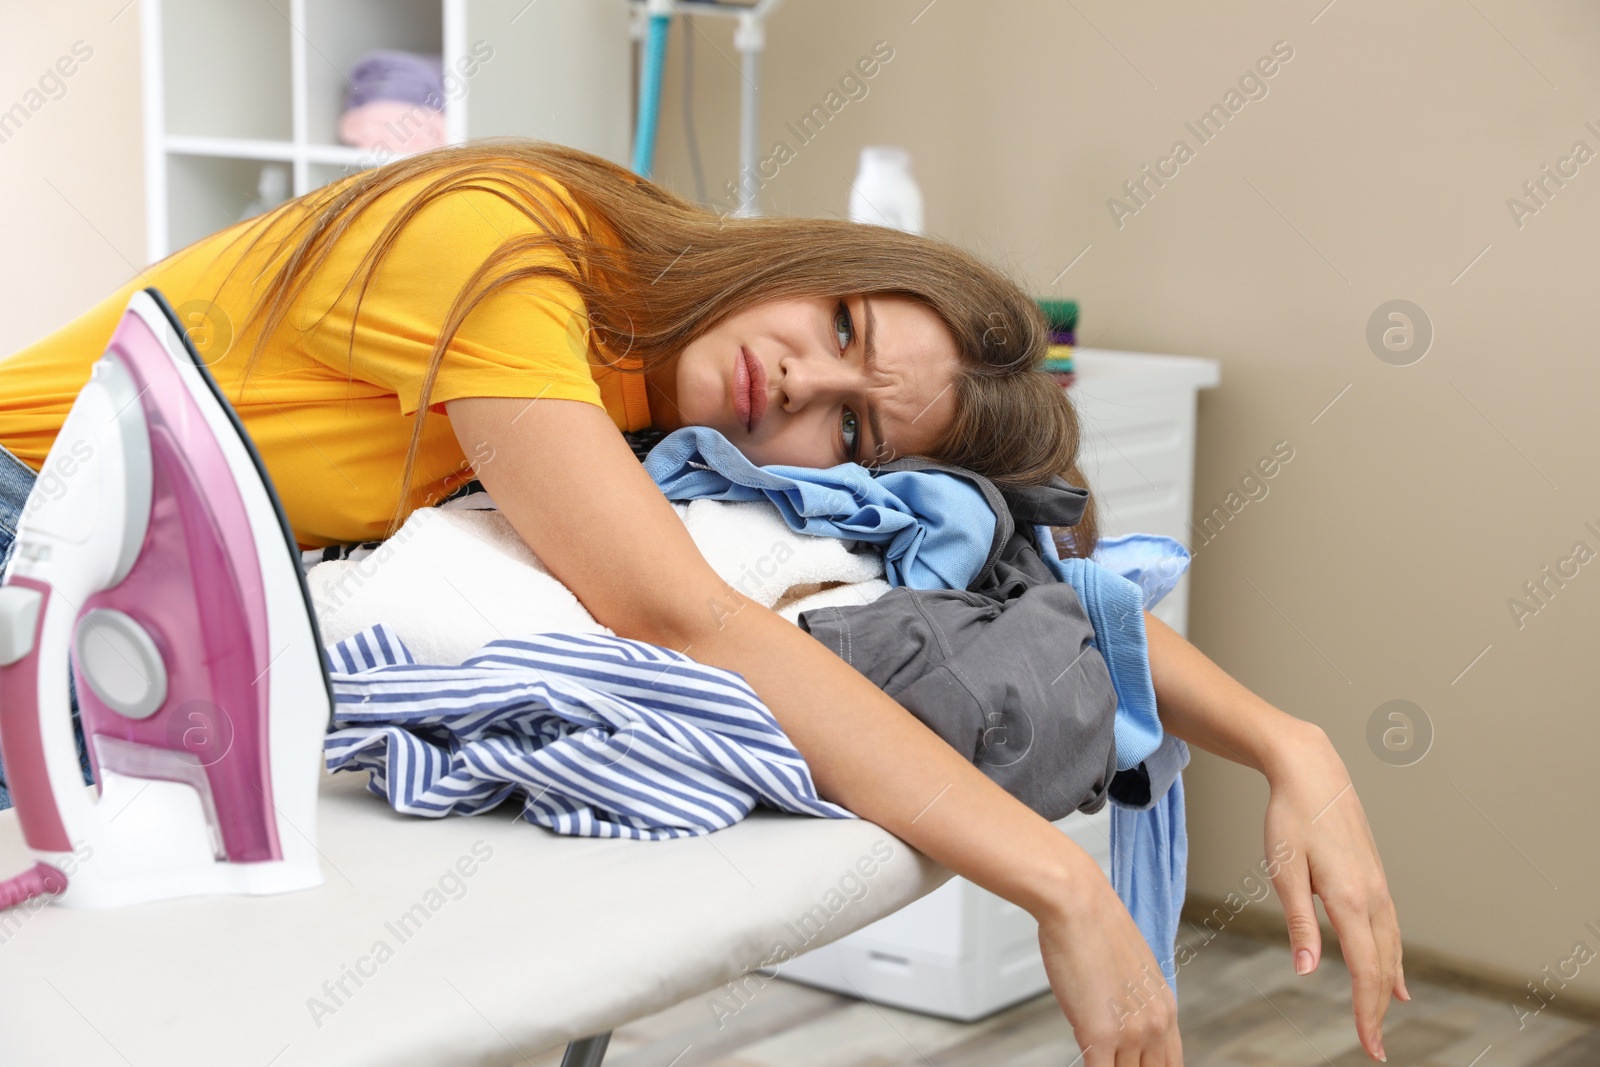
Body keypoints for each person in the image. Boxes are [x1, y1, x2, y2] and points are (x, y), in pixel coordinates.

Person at [0, 140, 1406, 1064]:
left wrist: (1290, 743)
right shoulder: (510, 249)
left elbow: (1002, 567)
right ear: (808, 260)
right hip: (25, 511)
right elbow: (672, 615)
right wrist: (1058, 881)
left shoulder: (660, 405)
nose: (800, 388)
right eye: (841, 330)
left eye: (855, 434)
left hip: (147, 582)